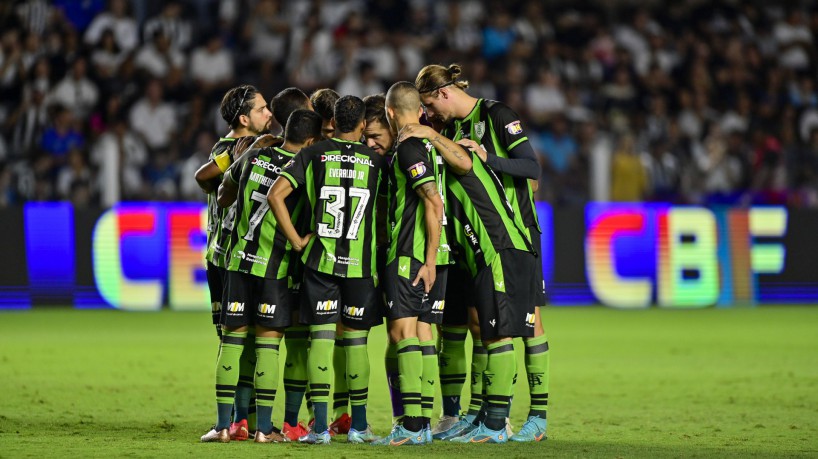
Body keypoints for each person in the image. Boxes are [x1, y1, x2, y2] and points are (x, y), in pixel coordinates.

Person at [405, 63, 546, 442]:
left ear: (444, 94)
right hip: (474, 238)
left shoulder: (497, 114)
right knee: (480, 323)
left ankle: (537, 418)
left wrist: (488, 159)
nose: (429, 115)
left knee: (528, 323)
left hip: (516, 233)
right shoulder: (450, 130)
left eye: (430, 106)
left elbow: (532, 168)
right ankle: (480, 413)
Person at [269, 96, 386, 445]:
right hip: (360, 265)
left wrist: (296, 240)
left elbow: (276, 195)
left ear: (332, 120)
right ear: (363, 124)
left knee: (319, 340)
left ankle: (319, 429)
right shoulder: (377, 162)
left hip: (320, 262)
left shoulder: (312, 154)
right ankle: (359, 427)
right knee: (355, 343)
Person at [202, 109, 324, 444]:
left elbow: (223, 196)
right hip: (274, 269)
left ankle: (223, 427)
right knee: (268, 347)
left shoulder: (253, 154)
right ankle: (264, 429)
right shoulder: (305, 168)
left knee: (232, 343)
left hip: (238, 265)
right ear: (311, 141)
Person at [371, 82, 456, 445]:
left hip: (413, 255)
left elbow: (432, 202)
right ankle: (419, 422)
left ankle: (413, 427)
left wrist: (429, 259)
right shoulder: (430, 144)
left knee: (401, 334)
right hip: (436, 253)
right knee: (422, 335)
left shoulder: (407, 148)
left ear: (390, 112)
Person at [195, 84, 272, 443]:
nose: (269, 115)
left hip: (247, 258)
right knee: (235, 340)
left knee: (250, 341)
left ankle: (245, 420)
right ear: (244, 118)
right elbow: (204, 177)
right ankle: (239, 419)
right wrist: (248, 153)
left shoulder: (264, 145)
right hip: (225, 259)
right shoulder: (228, 149)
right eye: (262, 109)